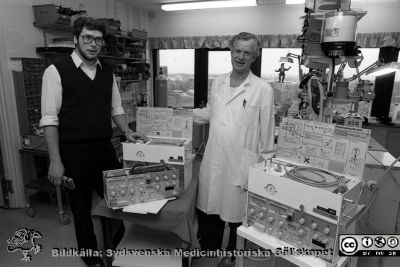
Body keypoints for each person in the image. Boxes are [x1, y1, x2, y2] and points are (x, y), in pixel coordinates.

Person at [40, 17, 144, 267]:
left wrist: (126, 132)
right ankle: (91, 257)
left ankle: (119, 245)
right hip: (73, 153)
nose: (93, 43)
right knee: (82, 208)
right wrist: (55, 162)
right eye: (87, 37)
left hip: (103, 148)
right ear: (76, 39)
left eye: (98, 39)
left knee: (119, 199)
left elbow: (116, 107)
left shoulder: (107, 71)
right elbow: (49, 119)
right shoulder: (56, 70)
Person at [193, 32, 275, 266]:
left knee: (238, 216)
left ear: (254, 56)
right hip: (214, 158)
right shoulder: (217, 81)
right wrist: (179, 116)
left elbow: (267, 137)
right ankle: (209, 250)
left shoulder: (262, 89)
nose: (240, 56)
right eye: (237, 51)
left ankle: (232, 255)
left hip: (241, 163)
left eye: (246, 52)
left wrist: (263, 172)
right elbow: (213, 112)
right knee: (209, 210)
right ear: (231, 50)